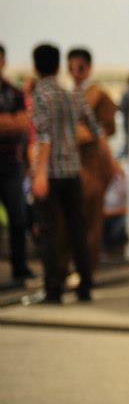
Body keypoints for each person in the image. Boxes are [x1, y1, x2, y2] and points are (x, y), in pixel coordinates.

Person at [30, 43, 113, 303]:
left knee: (51, 231)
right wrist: (109, 161)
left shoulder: (41, 94)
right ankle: (85, 285)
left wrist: (40, 173)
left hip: (52, 172)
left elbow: (44, 136)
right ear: (58, 66)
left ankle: (53, 288)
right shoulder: (70, 95)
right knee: (78, 229)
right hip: (73, 171)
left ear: (36, 67)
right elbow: (97, 129)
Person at [67, 47, 119, 271]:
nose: (75, 72)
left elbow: (109, 128)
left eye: (79, 67)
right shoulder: (70, 94)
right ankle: (74, 265)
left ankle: (87, 268)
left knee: (91, 216)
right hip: (71, 162)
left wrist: (87, 134)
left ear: (88, 68)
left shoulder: (98, 94)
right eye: (70, 68)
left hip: (93, 163)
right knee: (72, 216)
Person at [0, 43, 32, 286]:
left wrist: (9, 122)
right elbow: (17, 122)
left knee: (19, 218)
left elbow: (23, 124)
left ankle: (20, 267)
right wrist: (10, 122)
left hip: (11, 164)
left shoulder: (13, 92)